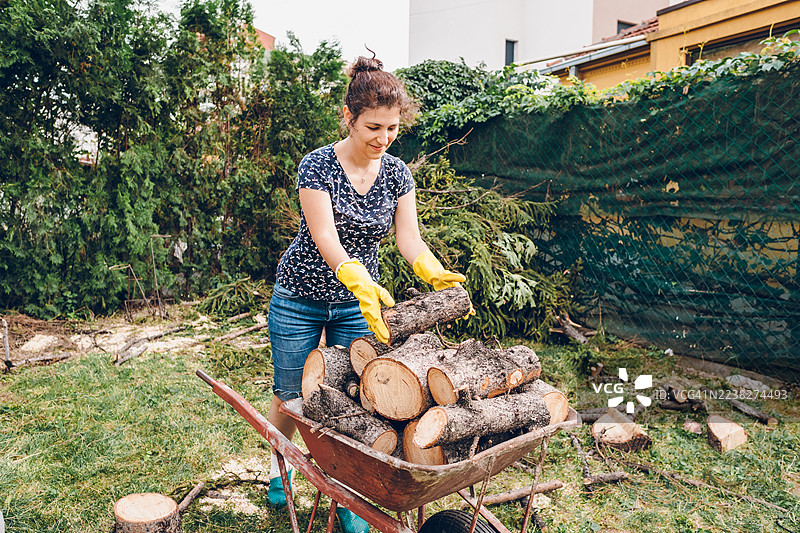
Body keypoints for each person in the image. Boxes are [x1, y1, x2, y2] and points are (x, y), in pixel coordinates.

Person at [265, 55, 466, 533]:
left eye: (393, 128)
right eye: (374, 127)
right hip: (300, 295)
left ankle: (353, 494)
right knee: (292, 393)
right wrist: (351, 272)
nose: (383, 138)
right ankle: (280, 467)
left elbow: (408, 239)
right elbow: (325, 238)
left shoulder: (397, 173)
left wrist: (429, 267)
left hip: (362, 301)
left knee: (359, 398)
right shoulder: (317, 167)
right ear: (349, 118)